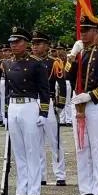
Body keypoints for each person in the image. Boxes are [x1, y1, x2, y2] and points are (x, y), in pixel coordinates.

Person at [65, 15, 98, 195]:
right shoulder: (78, 54)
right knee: (81, 148)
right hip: (78, 104)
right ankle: (85, 189)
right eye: (82, 31)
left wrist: (91, 96)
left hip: (95, 104)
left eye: (87, 30)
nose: (84, 34)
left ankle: (97, 190)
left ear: (96, 32)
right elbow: (66, 75)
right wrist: (72, 56)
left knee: (96, 147)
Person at [0, 26, 50, 195]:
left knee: (32, 150)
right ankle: (22, 188)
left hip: (30, 106)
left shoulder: (36, 64)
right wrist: (6, 113)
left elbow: (45, 90)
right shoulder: (7, 63)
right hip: (14, 106)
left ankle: (34, 190)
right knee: (19, 151)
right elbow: (6, 92)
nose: (14, 45)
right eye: (12, 42)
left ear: (26, 43)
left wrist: (43, 112)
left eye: (18, 41)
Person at [31, 31, 67, 186]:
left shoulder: (54, 62)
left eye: (38, 44)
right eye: (33, 44)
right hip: (33, 102)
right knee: (36, 141)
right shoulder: (29, 62)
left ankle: (60, 175)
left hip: (50, 101)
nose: (35, 47)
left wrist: (60, 104)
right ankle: (41, 175)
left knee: (55, 140)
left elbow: (62, 84)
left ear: (46, 45)